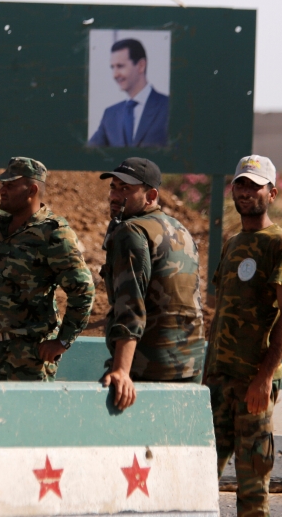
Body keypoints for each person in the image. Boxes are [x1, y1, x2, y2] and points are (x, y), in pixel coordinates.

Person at [204, 155, 282, 517]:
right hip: (218, 380)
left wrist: (264, 377)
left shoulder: (280, 244)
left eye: (255, 186)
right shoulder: (231, 244)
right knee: (200, 476)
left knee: (252, 484)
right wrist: (206, 374)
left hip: (253, 383)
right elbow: (220, 311)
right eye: (240, 185)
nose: (245, 192)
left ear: (272, 194)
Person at [0, 157, 95, 381]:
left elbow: (83, 290)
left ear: (32, 190)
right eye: (2, 184)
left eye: (10, 185)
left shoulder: (53, 233)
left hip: (28, 356)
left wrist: (62, 341)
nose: (2, 190)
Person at [97, 158, 204, 410]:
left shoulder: (131, 232)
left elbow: (130, 305)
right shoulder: (180, 229)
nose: (115, 196)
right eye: (114, 187)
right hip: (190, 364)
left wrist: (122, 370)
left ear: (151, 195)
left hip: (149, 367)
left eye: (126, 189)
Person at [88, 39, 170, 148]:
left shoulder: (169, 108)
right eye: (112, 67)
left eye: (120, 66)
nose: (115, 74)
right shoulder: (110, 115)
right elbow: (87, 153)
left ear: (141, 66)